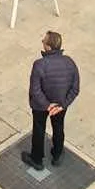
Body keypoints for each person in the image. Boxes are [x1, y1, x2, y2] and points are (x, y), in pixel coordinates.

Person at [24, 30, 80, 171]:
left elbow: (35, 90)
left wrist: (47, 106)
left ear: (48, 47)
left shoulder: (39, 64)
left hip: (40, 106)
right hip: (60, 105)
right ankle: (57, 154)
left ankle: (37, 159)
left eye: (43, 41)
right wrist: (62, 105)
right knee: (58, 127)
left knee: (39, 129)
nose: (42, 42)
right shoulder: (69, 62)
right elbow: (75, 88)